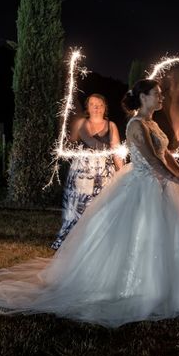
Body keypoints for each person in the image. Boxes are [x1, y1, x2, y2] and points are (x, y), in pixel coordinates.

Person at [0, 79, 179, 327]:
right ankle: (137, 288)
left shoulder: (153, 124)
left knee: (174, 234)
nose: (161, 96)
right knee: (140, 236)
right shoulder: (135, 125)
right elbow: (152, 161)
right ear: (143, 97)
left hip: (163, 186)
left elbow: (165, 155)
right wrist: (178, 181)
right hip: (141, 186)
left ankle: (177, 286)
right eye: (157, 93)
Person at [51, 94, 123, 250]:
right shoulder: (81, 123)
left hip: (103, 175)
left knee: (101, 207)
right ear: (87, 107)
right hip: (81, 174)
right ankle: (74, 242)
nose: (96, 107)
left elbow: (116, 152)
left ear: (105, 108)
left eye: (100, 104)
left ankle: (98, 243)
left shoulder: (111, 126)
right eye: (92, 104)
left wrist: (123, 173)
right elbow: (69, 144)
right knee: (79, 207)